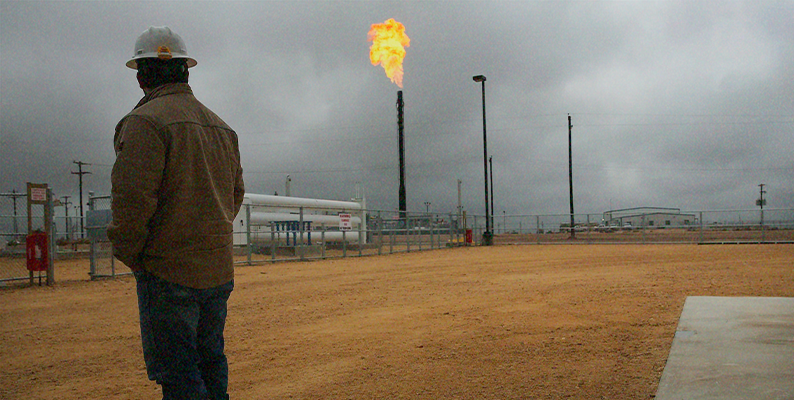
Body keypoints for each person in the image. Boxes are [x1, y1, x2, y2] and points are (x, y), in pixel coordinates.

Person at [108, 26, 245, 400]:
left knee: (180, 372)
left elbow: (132, 203)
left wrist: (135, 255)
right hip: (217, 271)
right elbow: (234, 196)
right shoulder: (222, 128)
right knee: (210, 359)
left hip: (168, 272)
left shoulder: (144, 123)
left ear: (141, 76)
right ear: (186, 70)